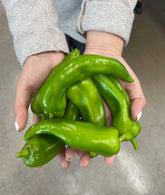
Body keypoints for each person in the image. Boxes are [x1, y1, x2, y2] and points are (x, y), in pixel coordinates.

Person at [2, 0, 146, 168]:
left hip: (97, 22)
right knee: (79, 63)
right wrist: (37, 37)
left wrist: (106, 36)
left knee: (80, 59)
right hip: (45, 17)